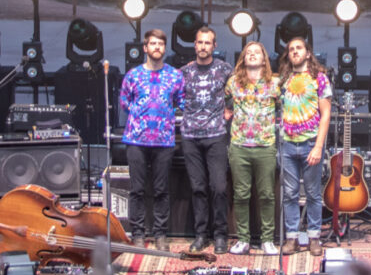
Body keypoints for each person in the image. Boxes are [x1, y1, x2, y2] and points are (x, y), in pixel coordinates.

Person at [119, 29, 183, 252]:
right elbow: (124, 101)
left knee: (161, 189)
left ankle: (160, 234)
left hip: (164, 140)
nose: (157, 47)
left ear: (165, 49)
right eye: (153, 44)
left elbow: (181, 102)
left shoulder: (175, 76)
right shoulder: (133, 75)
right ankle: (137, 233)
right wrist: (140, 113)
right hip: (136, 139)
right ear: (145, 48)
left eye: (161, 44)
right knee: (136, 189)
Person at [179, 25, 233, 254]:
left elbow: (237, 92)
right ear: (195, 45)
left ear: (214, 45)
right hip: (191, 136)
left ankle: (220, 234)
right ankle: (201, 235)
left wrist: (230, 110)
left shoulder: (225, 70)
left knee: (218, 187)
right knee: (198, 187)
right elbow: (173, 97)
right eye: (199, 42)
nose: (203, 46)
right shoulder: (184, 72)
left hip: (216, 135)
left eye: (207, 43)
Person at [225, 40, 280, 255]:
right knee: (241, 195)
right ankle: (243, 239)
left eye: (257, 52)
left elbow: (286, 106)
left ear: (264, 59)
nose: (253, 55)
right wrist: (225, 111)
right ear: (243, 58)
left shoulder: (275, 83)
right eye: (249, 52)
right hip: (239, 145)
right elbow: (220, 101)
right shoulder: (233, 83)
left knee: (267, 194)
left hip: (265, 145)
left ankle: (267, 239)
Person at [277, 36, 331, 257]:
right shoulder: (284, 79)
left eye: (299, 48)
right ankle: (292, 238)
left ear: (308, 53)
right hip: (287, 144)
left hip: (310, 143)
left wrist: (319, 146)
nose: (295, 52)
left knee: (313, 194)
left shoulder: (319, 78)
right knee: (289, 194)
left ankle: (314, 238)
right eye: (291, 49)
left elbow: (326, 114)